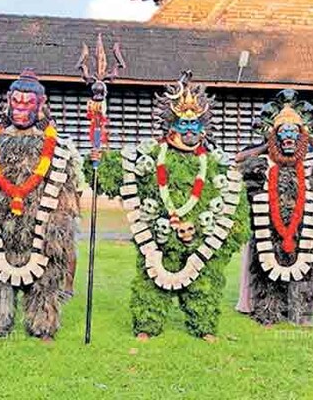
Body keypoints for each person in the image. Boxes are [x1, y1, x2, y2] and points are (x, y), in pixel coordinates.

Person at [99, 71, 248, 340]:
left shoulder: (215, 164)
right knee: (150, 282)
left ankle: (204, 326)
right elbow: (115, 175)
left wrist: (203, 233)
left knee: (204, 284)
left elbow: (234, 209)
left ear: (204, 128)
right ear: (172, 127)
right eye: (183, 125)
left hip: (201, 239)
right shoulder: (152, 156)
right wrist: (98, 158)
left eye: (194, 126)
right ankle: (147, 325)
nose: (190, 131)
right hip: (158, 237)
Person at [0, 69, 80, 341]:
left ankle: (43, 326)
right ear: (7, 101)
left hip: (40, 226)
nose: (20, 108)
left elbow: (66, 193)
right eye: (16, 101)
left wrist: (60, 228)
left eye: (28, 102)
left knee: (45, 278)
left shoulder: (56, 149)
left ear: (41, 105)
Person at [237, 90, 313, 325]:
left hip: (303, 229)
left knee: (306, 267)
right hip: (270, 228)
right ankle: (269, 311)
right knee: (266, 268)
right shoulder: (263, 166)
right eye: (283, 132)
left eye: (294, 131)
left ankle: (300, 313)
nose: (288, 137)